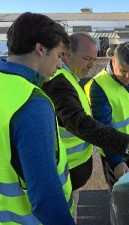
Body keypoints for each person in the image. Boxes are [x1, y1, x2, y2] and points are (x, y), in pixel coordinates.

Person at [42, 34, 129, 216]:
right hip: (67, 171)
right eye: (87, 59)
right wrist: (122, 150)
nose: (90, 65)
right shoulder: (62, 82)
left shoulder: (72, 77)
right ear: (66, 54)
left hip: (81, 169)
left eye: (94, 59)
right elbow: (82, 123)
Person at [0, 12, 74, 224]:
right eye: (60, 55)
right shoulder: (32, 103)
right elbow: (45, 198)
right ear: (40, 49)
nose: (60, 65)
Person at [84, 42, 129, 191]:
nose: (128, 77)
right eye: (123, 71)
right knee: (118, 195)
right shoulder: (98, 87)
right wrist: (116, 162)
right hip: (114, 151)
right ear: (113, 61)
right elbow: (103, 127)